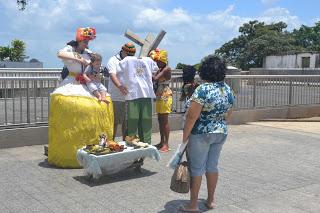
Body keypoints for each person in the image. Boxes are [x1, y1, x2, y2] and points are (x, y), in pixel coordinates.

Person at [48, 27, 114, 168]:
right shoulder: (70, 49)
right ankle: (69, 152)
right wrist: (79, 59)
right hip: (72, 83)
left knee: (99, 104)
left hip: (87, 83)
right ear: (79, 40)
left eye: (88, 41)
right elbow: (60, 54)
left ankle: (94, 146)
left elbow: (97, 65)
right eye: (84, 41)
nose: (86, 44)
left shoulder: (89, 53)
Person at [178, 55, 235, 212]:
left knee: (196, 169)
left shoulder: (202, 89)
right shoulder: (228, 89)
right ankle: (210, 200)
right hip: (221, 131)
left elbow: (191, 116)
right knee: (212, 166)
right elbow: (229, 114)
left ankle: (193, 205)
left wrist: (185, 136)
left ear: (204, 71)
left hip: (201, 133)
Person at [118, 55, 158, 145]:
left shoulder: (129, 60)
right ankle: (133, 145)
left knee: (144, 120)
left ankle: (145, 144)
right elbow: (156, 70)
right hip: (134, 94)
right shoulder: (129, 60)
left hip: (143, 94)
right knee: (135, 121)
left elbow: (118, 71)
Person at [107, 42, 136, 140]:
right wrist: (120, 86)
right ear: (123, 51)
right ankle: (111, 142)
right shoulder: (113, 60)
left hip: (130, 97)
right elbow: (112, 74)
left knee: (127, 124)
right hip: (116, 97)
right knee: (114, 122)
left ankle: (126, 144)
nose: (130, 57)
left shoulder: (133, 60)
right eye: (128, 54)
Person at [150, 49, 172, 152]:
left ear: (163, 61)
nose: (157, 63)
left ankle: (166, 144)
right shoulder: (160, 69)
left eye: (158, 61)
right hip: (160, 95)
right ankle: (162, 141)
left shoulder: (166, 69)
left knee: (165, 120)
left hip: (165, 95)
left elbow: (155, 78)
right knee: (160, 120)